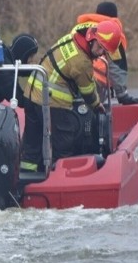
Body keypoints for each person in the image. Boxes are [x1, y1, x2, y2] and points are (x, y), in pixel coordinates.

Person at [20, 21, 121, 172]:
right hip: (52, 101)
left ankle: (26, 177)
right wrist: (96, 105)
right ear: (92, 38)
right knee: (64, 143)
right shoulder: (82, 63)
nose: (100, 52)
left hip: (32, 91)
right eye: (99, 47)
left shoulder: (74, 36)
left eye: (104, 50)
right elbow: (87, 91)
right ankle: (60, 178)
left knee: (32, 141)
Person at [72, 1, 138, 105]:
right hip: (96, 83)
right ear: (115, 16)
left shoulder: (78, 28)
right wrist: (122, 95)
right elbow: (116, 65)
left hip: (71, 79)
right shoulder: (111, 32)